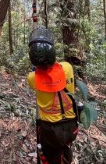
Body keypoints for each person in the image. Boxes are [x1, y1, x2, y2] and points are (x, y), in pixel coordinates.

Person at [27, 26, 78, 164]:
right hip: (71, 126)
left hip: (50, 129)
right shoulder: (67, 67)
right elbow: (56, 68)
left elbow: (39, 75)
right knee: (63, 147)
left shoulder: (32, 78)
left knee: (50, 155)